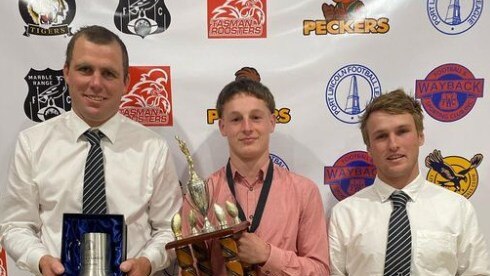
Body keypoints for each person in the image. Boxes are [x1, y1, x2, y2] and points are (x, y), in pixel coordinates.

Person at [0, 25, 182, 276]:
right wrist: (40, 260)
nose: (96, 83)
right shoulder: (32, 144)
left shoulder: (153, 149)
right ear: (66, 73)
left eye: (108, 73)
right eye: (85, 69)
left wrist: (147, 262)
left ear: (126, 82)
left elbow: (170, 229)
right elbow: (16, 225)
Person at [328, 89, 490, 275]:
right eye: (381, 136)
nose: (393, 144)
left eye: (402, 131)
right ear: (369, 148)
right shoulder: (345, 215)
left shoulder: (457, 209)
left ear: (420, 136)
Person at [182, 78, 329, 275]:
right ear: (222, 126)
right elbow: (188, 269)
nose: (247, 128)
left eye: (256, 117)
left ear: (272, 122)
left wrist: (268, 256)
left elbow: (320, 271)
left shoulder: (304, 192)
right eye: (236, 119)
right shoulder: (201, 194)